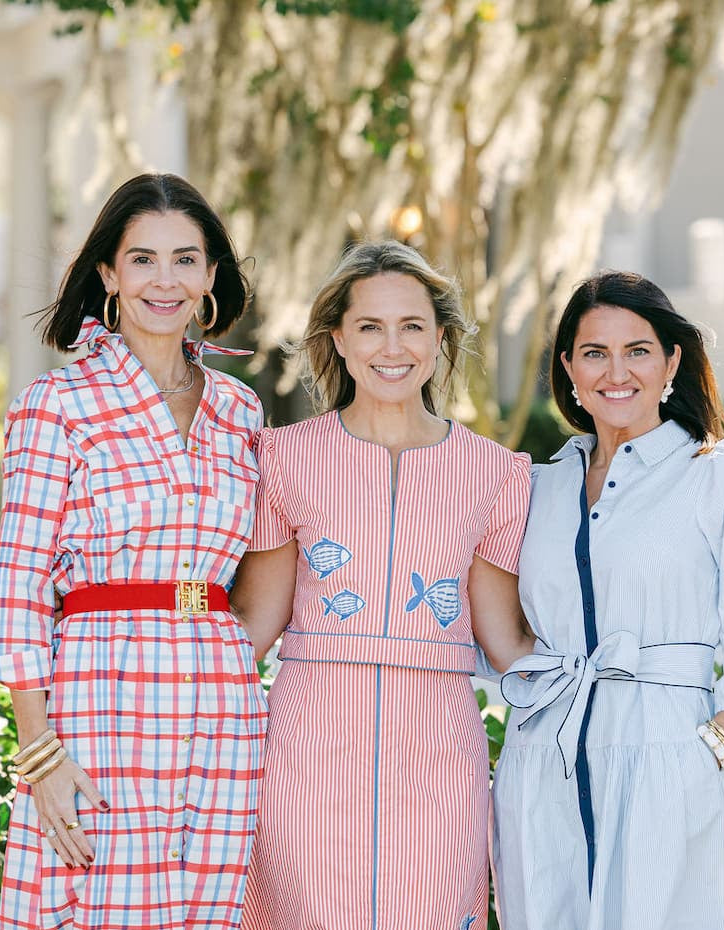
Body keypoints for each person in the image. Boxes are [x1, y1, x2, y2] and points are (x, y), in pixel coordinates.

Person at [0, 173, 268, 930]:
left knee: (211, 904)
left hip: (221, 697)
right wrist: (41, 758)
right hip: (102, 693)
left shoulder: (240, 410)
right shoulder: (56, 404)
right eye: (143, 260)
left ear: (211, 276)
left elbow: (258, 567)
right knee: (98, 903)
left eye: (185, 260)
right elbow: (21, 591)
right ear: (108, 272)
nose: (164, 281)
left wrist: (233, 658)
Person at [492, 271, 724, 930]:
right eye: (594, 352)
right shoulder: (536, 487)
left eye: (638, 349)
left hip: (671, 764)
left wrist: (713, 748)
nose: (617, 371)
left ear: (672, 360)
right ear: (568, 369)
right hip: (542, 767)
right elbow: (509, 631)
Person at [229, 240, 534, 930]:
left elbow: (505, 637)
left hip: (441, 751)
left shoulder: (496, 473)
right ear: (337, 337)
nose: (391, 347)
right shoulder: (282, 458)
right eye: (370, 326)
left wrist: (610, 701)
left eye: (412, 326)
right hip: (307, 746)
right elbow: (255, 622)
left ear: (440, 338)